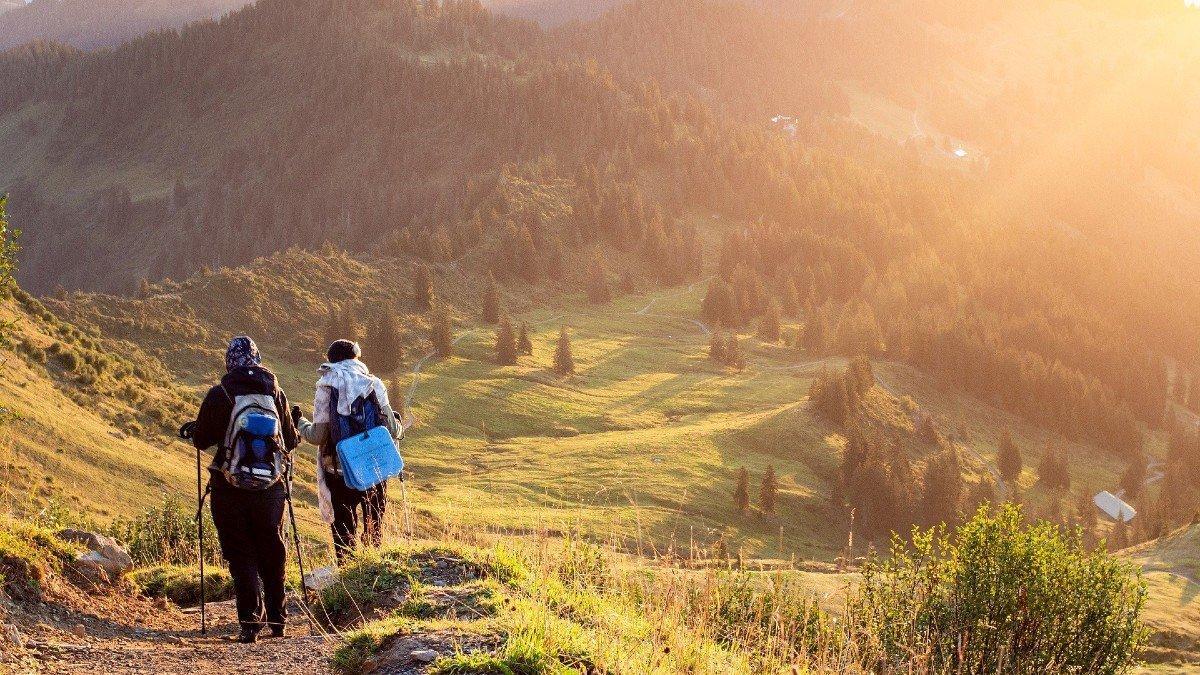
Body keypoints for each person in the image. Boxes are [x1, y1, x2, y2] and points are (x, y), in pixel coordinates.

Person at [190, 336, 299, 643]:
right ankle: (279, 621)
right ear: (257, 359)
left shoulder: (221, 393)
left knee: (240, 552)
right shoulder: (276, 392)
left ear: (229, 362)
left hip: (230, 486)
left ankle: (250, 623)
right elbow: (289, 442)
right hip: (271, 488)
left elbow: (200, 439)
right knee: (272, 548)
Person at [294, 339, 402, 563]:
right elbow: (392, 429)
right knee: (374, 529)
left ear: (332, 361)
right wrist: (399, 425)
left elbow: (319, 436)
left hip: (339, 469)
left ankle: (347, 576)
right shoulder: (374, 384)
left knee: (344, 532)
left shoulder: (327, 385)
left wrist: (300, 422)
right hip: (374, 468)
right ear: (355, 358)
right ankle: (373, 576)